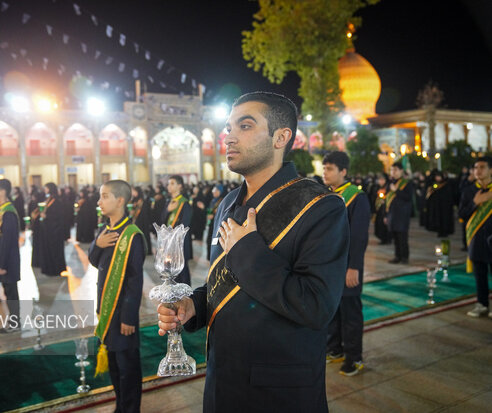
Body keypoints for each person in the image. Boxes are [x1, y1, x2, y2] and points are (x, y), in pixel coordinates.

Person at [157, 92, 349, 412]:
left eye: (244, 126)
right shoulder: (230, 202)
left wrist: (248, 249)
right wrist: (193, 306)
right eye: (228, 128)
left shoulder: (320, 206)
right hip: (222, 381)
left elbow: (316, 305)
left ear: (281, 137)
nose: (229, 137)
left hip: (279, 390)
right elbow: (226, 281)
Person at [89, 180, 145, 413]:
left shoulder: (132, 235)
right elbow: (95, 262)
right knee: (113, 364)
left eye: (104, 196)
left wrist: (129, 318)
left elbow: (135, 281)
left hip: (122, 314)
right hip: (107, 310)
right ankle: (120, 406)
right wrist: (97, 244)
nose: (99, 202)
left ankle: (130, 409)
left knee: (127, 367)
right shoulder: (105, 230)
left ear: (120, 200)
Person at [322, 151, 371, 376]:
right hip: (330, 265)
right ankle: (335, 349)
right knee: (334, 310)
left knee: (350, 313)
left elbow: (359, 236)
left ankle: (354, 357)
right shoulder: (327, 194)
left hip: (348, 265)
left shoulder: (356, 197)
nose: (325, 172)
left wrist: (354, 267)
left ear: (343, 171)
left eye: (330, 169)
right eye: (324, 168)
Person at [458, 156, 492, 318]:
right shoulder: (469, 191)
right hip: (476, 238)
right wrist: (475, 203)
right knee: (480, 274)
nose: (477, 171)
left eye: (482, 167)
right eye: (475, 167)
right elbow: (462, 215)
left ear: (490, 170)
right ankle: (482, 303)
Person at [0, 179, 21, 332]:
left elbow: (7, 241)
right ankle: (13, 322)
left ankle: (15, 324)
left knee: (11, 293)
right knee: (9, 292)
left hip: (7, 262)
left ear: (2, 192)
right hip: (4, 260)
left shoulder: (8, 212)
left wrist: (2, 264)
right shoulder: (1, 210)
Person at [161, 175, 192, 285]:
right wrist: (168, 211)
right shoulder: (169, 202)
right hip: (169, 243)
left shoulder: (184, 203)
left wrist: (174, 238)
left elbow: (185, 225)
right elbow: (162, 221)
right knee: (171, 271)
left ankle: (186, 297)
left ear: (180, 186)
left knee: (182, 272)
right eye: (168, 183)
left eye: (172, 183)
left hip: (180, 243)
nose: (169, 186)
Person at [385, 162, 414, 264]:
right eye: (392, 170)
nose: (393, 172)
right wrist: (386, 215)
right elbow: (387, 199)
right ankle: (397, 256)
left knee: (402, 237)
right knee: (395, 236)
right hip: (392, 214)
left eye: (395, 170)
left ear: (401, 171)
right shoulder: (391, 183)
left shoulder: (407, 183)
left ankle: (404, 257)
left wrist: (397, 190)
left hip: (402, 214)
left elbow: (408, 197)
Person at [38, 182, 67, 276]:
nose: (45, 190)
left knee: (54, 250)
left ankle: (55, 269)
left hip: (55, 230)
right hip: (48, 230)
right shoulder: (48, 199)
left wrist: (46, 216)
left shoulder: (56, 201)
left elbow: (58, 216)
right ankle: (48, 268)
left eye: (46, 188)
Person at [424, 170, 455, 237]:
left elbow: (449, 195)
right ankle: (439, 231)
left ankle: (445, 232)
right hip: (437, 206)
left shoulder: (446, 184)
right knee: (438, 219)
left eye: (439, 177)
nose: (437, 178)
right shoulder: (435, 184)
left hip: (445, 206)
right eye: (436, 177)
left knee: (444, 219)